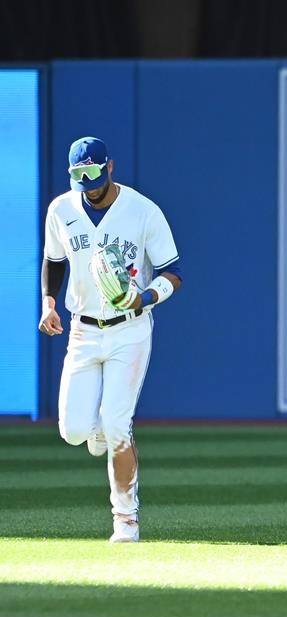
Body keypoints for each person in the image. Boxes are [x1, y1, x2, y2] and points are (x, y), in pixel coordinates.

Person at [39, 136, 182, 543]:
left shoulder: (142, 210)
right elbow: (54, 261)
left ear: (110, 167)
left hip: (129, 329)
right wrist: (49, 304)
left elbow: (173, 272)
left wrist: (147, 297)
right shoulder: (61, 209)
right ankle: (98, 427)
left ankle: (126, 520)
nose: (89, 186)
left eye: (95, 176)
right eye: (80, 178)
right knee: (72, 430)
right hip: (82, 330)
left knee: (119, 425)